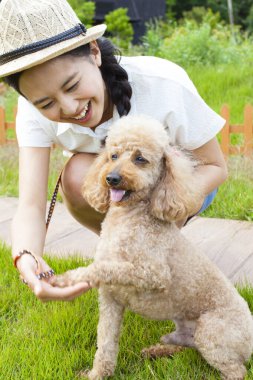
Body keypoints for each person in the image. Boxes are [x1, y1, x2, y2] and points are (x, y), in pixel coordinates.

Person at [0, 0, 227, 301]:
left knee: (151, 206)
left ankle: (150, 248)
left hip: (178, 185)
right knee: (77, 174)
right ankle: (126, 255)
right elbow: (30, 205)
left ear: (94, 52)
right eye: (46, 103)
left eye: (72, 85)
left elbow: (215, 166)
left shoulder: (162, 83)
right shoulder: (31, 112)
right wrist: (26, 257)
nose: (69, 107)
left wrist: (157, 205)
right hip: (116, 190)